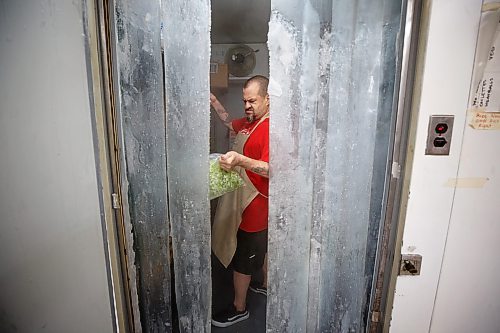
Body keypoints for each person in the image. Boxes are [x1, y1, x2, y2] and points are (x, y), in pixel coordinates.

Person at [210, 75, 270, 328]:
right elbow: (228, 124)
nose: (247, 105)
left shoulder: (269, 129)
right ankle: (265, 286)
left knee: (244, 259)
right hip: (242, 198)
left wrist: (240, 160)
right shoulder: (248, 123)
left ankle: (239, 308)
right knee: (259, 251)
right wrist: (213, 100)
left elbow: (270, 169)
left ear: (268, 99)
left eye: (252, 100)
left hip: (256, 204)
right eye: (244, 100)